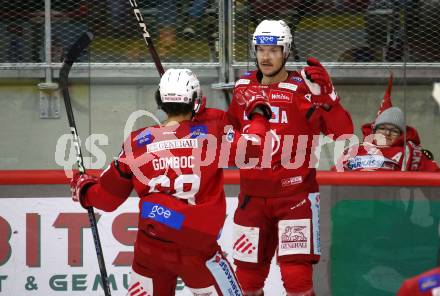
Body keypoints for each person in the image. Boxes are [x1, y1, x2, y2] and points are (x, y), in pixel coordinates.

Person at [70, 68, 273, 295]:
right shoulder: (211, 132)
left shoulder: (137, 140)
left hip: (151, 247)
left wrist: (84, 187)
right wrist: (258, 112)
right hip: (196, 246)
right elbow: (257, 150)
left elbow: (106, 199)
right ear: (196, 101)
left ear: (160, 100)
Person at [226, 19, 354, 295]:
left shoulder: (306, 87)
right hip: (252, 197)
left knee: (296, 278)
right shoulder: (242, 87)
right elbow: (229, 133)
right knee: (246, 278)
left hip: (295, 196)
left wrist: (329, 97)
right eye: (261, 49)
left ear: (286, 51)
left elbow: (343, 133)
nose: (266, 56)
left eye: (273, 50)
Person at [340, 76, 439, 172]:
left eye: (394, 130)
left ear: (401, 135)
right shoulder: (355, 150)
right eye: (382, 128)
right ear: (374, 131)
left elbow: (434, 176)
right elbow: (335, 174)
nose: (387, 133)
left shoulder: (412, 153)